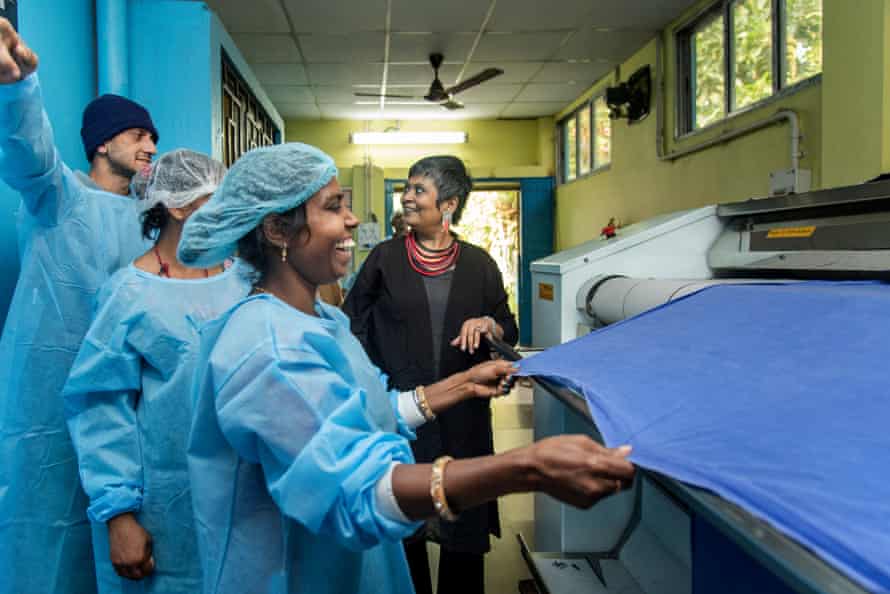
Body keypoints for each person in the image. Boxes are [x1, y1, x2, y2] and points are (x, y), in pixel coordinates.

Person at [177, 142, 635, 594]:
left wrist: (460, 383)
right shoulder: (270, 348)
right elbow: (356, 488)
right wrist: (525, 468)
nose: (353, 220)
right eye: (334, 207)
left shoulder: (322, 321)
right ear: (278, 230)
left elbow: (371, 414)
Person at [0, 18, 158, 594]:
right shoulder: (58, 197)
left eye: (153, 137)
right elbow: (26, 153)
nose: (151, 146)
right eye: (138, 134)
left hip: (131, 409)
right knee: (50, 540)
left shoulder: (154, 224)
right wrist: (18, 89)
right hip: (50, 401)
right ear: (101, 142)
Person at [63, 150, 249, 594]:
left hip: (245, 503)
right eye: (216, 201)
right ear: (180, 207)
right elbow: (100, 407)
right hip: (165, 516)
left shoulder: (243, 280)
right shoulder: (129, 295)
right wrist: (119, 515)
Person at [343, 155, 516, 594]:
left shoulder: (480, 264)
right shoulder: (384, 259)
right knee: (405, 533)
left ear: (449, 204)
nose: (408, 197)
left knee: (463, 537)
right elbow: (352, 325)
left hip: (465, 420)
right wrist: (369, 391)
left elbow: (507, 327)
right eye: (408, 188)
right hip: (402, 417)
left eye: (420, 190)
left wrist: (490, 326)